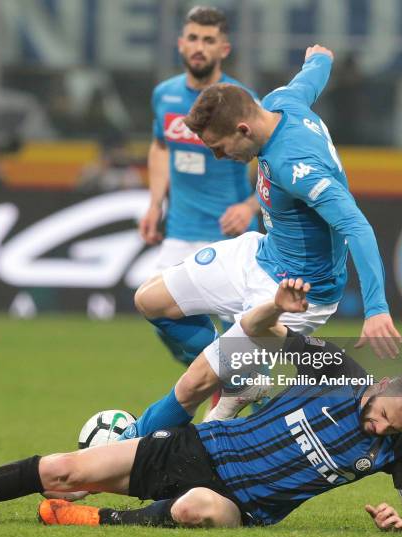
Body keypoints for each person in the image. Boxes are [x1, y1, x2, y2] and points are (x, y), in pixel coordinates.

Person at [0, 280, 402, 531]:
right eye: (381, 413)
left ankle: (90, 518)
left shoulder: (397, 446)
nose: (377, 426)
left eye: (390, 427)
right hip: (197, 447)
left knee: (197, 508)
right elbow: (260, 333)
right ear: (382, 384)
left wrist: (401, 524)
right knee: (62, 468)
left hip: (236, 503)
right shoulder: (338, 374)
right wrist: (274, 306)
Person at [128, 44, 402, 429]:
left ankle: (124, 447)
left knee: (194, 386)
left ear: (243, 129)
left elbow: (356, 225)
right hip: (260, 253)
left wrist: (376, 309)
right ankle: (244, 380)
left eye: (219, 148)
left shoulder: (297, 166)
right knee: (150, 299)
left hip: (293, 293)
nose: (220, 158)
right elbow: (310, 80)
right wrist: (318, 58)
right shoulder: (280, 102)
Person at [139, 5, 260, 368]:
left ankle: (253, 409)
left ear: (224, 49)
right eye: (193, 38)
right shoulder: (165, 95)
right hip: (179, 231)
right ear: (180, 44)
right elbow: (161, 145)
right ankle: (217, 375)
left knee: (248, 341)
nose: (199, 47)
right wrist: (154, 203)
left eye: (209, 40)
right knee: (158, 313)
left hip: (231, 236)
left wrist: (251, 206)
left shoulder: (240, 99)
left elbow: (267, 158)